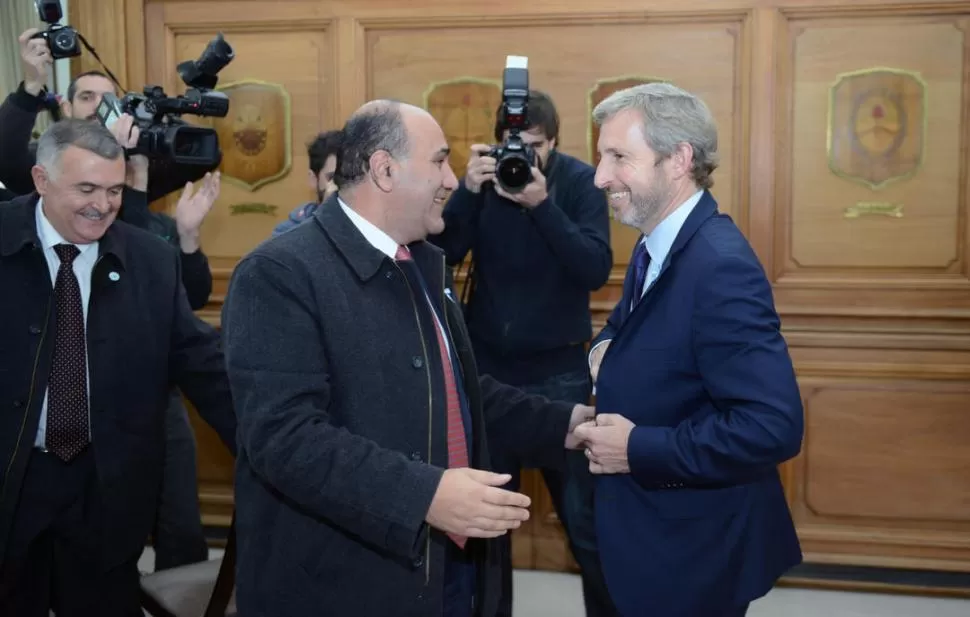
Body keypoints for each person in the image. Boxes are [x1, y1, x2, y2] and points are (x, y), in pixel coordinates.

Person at [221, 99, 594, 617]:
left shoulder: (419, 260)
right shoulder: (279, 273)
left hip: (442, 566)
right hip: (342, 582)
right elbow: (285, 439)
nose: (451, 177)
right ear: (384, 169)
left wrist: (565, 423)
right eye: (440, 160)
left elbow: (459, 388)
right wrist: (426, 495)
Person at [573, 83, 804, 617]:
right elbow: (634, 333)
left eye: (618, 157)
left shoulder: (718, 264)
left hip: (693, 555)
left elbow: (771, 426)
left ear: (678, 160)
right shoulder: (658, 240)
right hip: (655, 539)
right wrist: (607, 359)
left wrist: (638, 448)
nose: (599, 176)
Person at [0, 118, 237, 617]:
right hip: (14, 481)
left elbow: (201, 362)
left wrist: (269, 437)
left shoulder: (151, 259)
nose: (102, 204)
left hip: (105, 486)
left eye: (113, 190)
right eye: (86, 188)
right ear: (41, 180)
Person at [427, 90, 614, 617]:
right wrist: (465, 190)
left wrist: (542, 204)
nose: (523, 159)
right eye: (516, 146)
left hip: (559, 371)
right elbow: (445, 255)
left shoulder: (577, 181)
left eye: (535, 148)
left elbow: (594, 267)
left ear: (553, 143)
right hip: (488, 370)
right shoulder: (484, 181)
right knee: (486, 526)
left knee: (587, 526)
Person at [272, 129, 342, 235]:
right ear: (313, 179)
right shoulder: (290, 231)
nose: (344, 185)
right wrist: (328, 216)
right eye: (333, 177)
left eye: (351, 177)